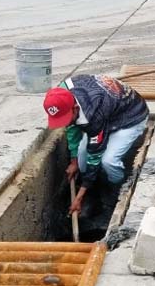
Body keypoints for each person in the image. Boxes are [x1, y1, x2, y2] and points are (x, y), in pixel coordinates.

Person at [42, 75, 149, 219]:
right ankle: (90, 189)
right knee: (81, 158)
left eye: (67, 117)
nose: (65, 122)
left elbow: (94, 157)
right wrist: (74, 161)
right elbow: (72, 127)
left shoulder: (93, 114)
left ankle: (113, 192)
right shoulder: (62, 93)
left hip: (130, 117)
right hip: (110, 111)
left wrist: (78, 198)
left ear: (75, 108)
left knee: (108, 161)